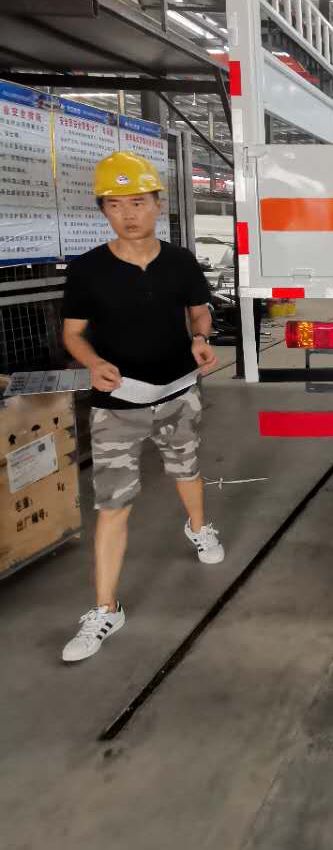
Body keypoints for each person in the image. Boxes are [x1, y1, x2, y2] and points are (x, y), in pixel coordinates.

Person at [60, 151, 224, 663]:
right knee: (112, 504)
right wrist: (93, 363)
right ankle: (105, 609)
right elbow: (73, 334)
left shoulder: (180, 262)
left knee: (187, 469)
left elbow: (199, 312)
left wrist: (200, 339)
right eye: (114, 205)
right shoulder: (87, 270)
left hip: (177, 390)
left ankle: (198, 528)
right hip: (119, 400)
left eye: (137, 202)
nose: (127, 214)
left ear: (157, 204)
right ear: (103, 211)